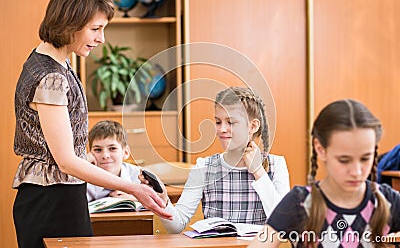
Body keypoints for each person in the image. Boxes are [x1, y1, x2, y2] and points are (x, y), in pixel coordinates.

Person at [12, 0, 171, 248]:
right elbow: (65, 161)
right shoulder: (50, 76)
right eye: (95, 29)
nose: (101, 39)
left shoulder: (55, 61)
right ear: (69, 24)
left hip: (59, 197)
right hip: (51, 202)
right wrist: (133, 188)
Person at [248, 99, 400, 248]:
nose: (357, 172)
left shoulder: (388, 201)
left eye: (366, 158)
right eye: (344, 160)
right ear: (320, 149)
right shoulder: (299, 203)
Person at [142, 86, 290, 233]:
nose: (221, 129)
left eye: (230, 122)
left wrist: (258, 172)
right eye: (218, 122)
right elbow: (176, 226)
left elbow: (283, 224)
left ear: (253, 126)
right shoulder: (204, 167)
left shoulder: (276, 165)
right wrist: (163, 201)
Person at [86, 120, 141, 202]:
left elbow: (163, 205)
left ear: (125, 152)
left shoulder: (139, 177)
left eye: (112, 148)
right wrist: (84, 162)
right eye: (98, 150)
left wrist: (136, 199)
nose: (105, 156)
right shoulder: (82, 180)